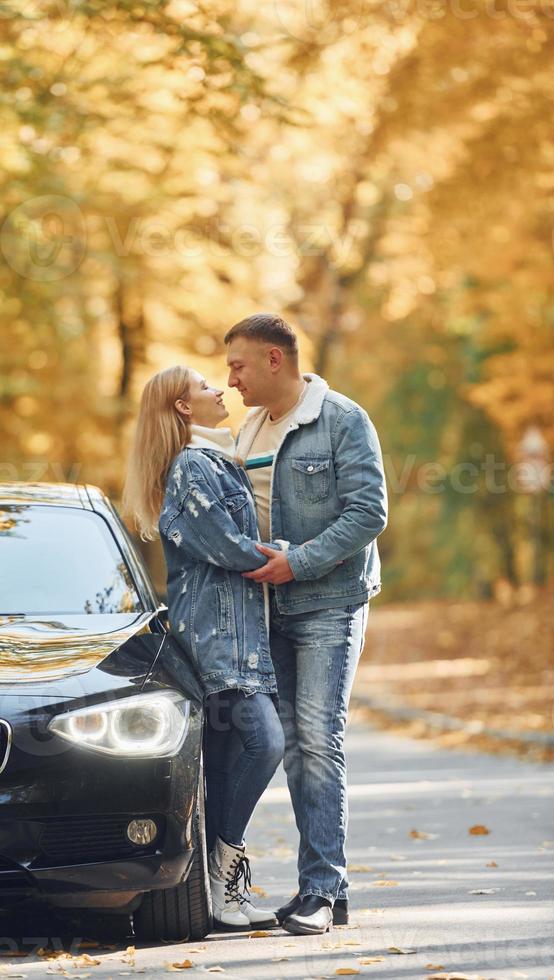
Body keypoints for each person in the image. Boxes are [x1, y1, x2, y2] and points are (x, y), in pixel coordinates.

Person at [224, 313, 388, 936]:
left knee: (319, 741)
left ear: (274, 359)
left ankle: (322, 889)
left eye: (239, 364)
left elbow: (368, 513)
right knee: (293, 749)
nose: (230, 377)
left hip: (329, 603)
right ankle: (324, 888)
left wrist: (301, 562)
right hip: (269, 610)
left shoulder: (342, 419)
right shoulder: (249, 427)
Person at [122, 365, 286, 932]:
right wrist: (288, 555)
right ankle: (225, 869)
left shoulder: (213, 460)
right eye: (204, 387)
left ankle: (216, 892)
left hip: (233, 636)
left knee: (220, 764)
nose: (220, 389)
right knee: (265, 743)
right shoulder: (193, 465)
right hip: (219, 642)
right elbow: (224, 545)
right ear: (185, 409)